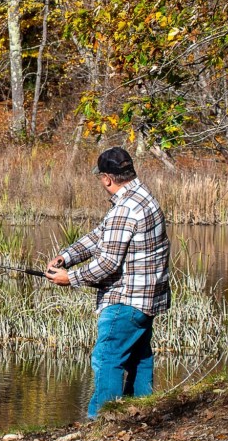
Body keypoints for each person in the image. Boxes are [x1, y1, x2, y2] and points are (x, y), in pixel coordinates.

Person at [45, 147, 170, 419]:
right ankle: (143, 416)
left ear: (107, 178)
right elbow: (101, 235)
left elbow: (108, 264)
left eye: (100, 177)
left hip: (125, 300)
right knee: (139, 357)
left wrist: (70, 278)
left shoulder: (124, 209)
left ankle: (103, 423)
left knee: (107, 358)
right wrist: (67, 256)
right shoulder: (143, 196)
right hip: (146, 300)